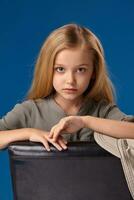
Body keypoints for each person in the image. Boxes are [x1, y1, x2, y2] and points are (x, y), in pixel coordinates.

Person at [0, 23, 134, 152]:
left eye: (81, 70)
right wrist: (29, 133)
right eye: (60, 69)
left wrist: (85, 122)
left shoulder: (103, 111)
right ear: (47, 70)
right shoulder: (29, 111)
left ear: (94, 72)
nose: (70, 80)